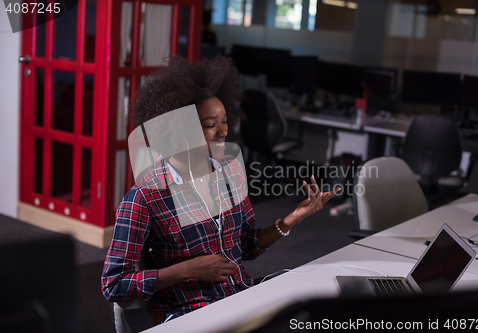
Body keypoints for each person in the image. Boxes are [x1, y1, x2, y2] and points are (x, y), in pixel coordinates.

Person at [101, 55, 337, 325]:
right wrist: (188, 269)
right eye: (211, 125)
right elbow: (113, 284)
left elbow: (244, 246)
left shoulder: (230, 173)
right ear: (178, 131)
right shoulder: (145, 196)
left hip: (239, 298)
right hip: (190, 312)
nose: (224, 131)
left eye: (225, 121)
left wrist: (292, 219)